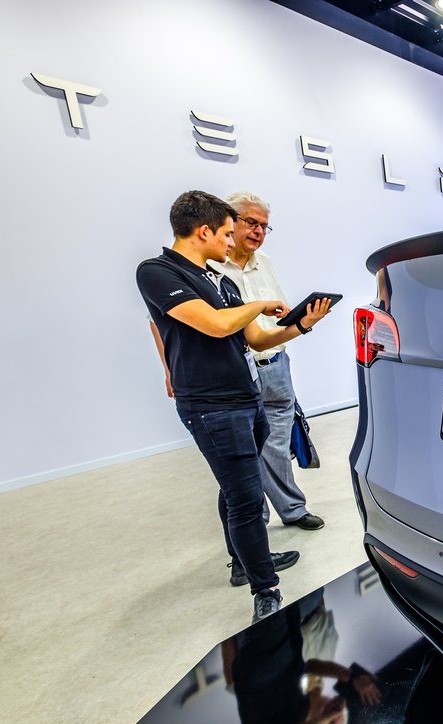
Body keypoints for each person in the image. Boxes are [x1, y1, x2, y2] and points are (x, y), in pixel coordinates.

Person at [136, 190, 332, 622]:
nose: (232, 241)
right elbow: (215, 324)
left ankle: (246, 561)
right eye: (227, 233)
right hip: (209, 405)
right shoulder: (156, 272)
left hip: (248, 397)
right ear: (203, 231)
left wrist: (302, 323)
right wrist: (259, 304)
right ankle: (266, 590)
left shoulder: (220, 282)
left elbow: (257, 339)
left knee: (234, 490)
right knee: (245, 499)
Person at [212, 192, 325, 535]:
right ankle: (253, 525)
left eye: (264, 226)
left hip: (275, 365)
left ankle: (292, 509)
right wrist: (170, 371)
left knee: (276, 443)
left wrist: (304, 319)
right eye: (252, 223)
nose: (259, 231)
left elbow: (279, 314)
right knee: (244, 454)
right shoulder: (208, 265)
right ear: (230, 221)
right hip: (237, 369)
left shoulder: (265, 262)